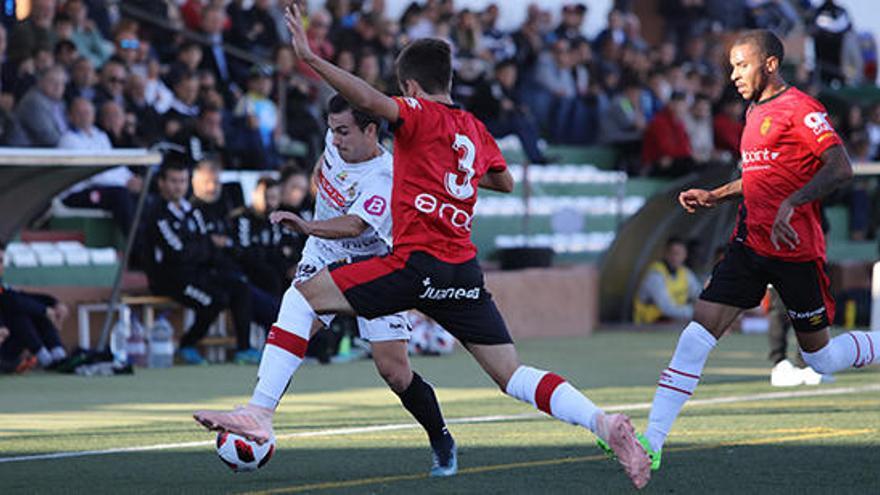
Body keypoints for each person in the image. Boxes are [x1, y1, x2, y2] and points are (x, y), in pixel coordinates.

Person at [194, 6, 651, 489]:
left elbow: (370, 98)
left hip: (411, 264)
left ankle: (261, 413)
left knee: (302, 297)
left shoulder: (418, 115)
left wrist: (309, 57)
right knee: (511, 373)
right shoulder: (473, 128)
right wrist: (456, 176)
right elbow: (505, 179)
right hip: (462, 273)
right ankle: (601, 421)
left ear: (410, 88)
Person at [631, 30, 878, 476]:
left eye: (741, 65)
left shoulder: (802, 108)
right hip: (750, 245)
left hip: (796, 251)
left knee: (821, 357)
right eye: (731, 66)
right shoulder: (752, 111)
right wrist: (716, 194)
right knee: (696, 335)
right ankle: (652, 441)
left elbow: (839, 167)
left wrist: (792, 203)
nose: (733, 75)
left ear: (769, 64)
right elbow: (758, 177)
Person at [270, 93, 459, 475]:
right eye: (332, 130)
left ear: (371, 130)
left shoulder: (388, 176)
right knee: (293, 327)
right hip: (322, 254)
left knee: (394, 371)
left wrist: (307, 224)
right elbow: (324, 167)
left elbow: (354, 226)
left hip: (376, 264)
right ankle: (259, 416)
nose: (335, 139)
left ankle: (440, 437)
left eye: (344, 132)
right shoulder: (334, 142)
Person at [143, 161, 263, 365]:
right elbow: (178, 252)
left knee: (240, 286)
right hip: (170, 278)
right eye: (173, 181)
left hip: (197, 271)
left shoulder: (190, 209)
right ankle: (186, 345)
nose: (178, 186)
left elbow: (203, 244)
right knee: (214, 300)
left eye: (182, 181)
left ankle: (244, 349)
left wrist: (201, 247)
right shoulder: (157, 214)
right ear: (161, 183)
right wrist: (203, 246)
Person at [0, 243, 69, 373]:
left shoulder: (2, 287)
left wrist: (53, 304)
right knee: (18, 313)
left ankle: (58, 355)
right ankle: (46, 359)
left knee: (30, 309)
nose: (1, 266)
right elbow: (12, 300)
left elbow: (21, 296)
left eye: (2, 261)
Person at [633, 238, 701, 325]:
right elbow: (667, 309)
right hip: (647, 324)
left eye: (680, 254)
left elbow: (699, 295)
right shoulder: (656, 275)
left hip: (671, 322)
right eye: (673, 253)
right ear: (666, 254)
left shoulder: (686, 273)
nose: (676, 257)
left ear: (685, 255)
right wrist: (696, 312)